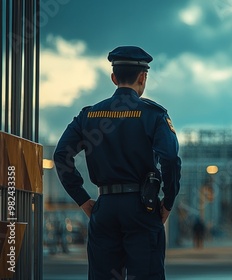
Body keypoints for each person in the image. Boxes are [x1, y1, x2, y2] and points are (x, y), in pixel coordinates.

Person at [53, 46, 181, 280]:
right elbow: (170, 158)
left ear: (114, 78)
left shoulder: (89, 115)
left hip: (105, 208)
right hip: (144, 208)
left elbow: (62, 155)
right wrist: (168, 202)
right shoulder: (154, 114)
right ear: (143, 77)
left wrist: (82, 199)